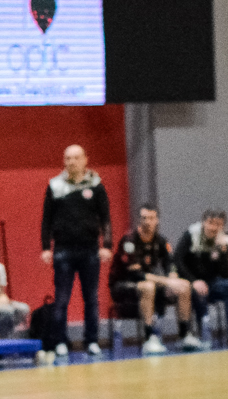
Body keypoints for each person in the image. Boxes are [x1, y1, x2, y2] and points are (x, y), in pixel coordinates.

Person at [40, 144, 113, 358]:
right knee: (62, 298)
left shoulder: (96, 186)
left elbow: (105, 218)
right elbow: (46, 219)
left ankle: (92, 340)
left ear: (85, 160)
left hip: (90, 251)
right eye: (67, 158)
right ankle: (61, 341)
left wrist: (107, 245)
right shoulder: (54, 186)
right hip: (63, 251)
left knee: (91, 298)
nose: (71, 162)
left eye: (75, 158)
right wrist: (46, 247)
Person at [109, 205, 196, 354]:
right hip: (123, 285)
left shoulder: (160, 240)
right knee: (147, 286)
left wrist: (172, 276)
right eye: (144, 218)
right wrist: (167, 282)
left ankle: (185, 335)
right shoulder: (129, 241)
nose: (147, 222)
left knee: (184, 285)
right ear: (139, 220)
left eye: (151, 218)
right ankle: (150, 338)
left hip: (150, 283)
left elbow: (170, 263)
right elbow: (136, 275)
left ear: (157, 220)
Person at [177, 208, 228, 341]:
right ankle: (204, 332)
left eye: (218, 224)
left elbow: (224, 273)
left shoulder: (224, 239)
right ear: (203, 222)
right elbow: (178, 260)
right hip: (191, 281)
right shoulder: (191, 234)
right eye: (210, 223)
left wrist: (223, 253)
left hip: (213, 282)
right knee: (199, 291)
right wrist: (193, 281)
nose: (213, 228)